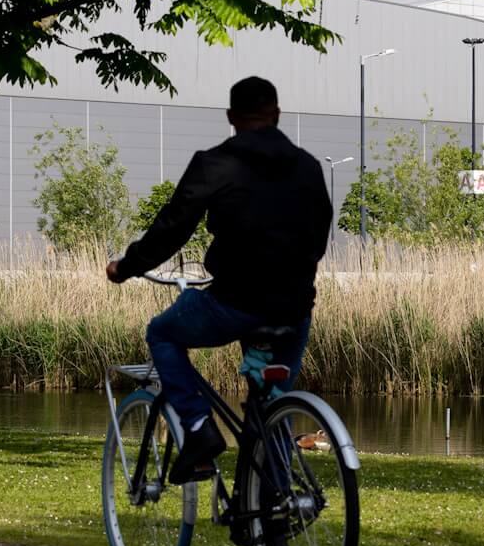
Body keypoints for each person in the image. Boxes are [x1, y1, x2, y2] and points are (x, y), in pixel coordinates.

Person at [107, 76, 332, 483]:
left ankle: (198, 429)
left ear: (230, 117)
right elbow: (318, 238)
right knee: (269, 402)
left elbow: (172, 228)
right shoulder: (310, 168)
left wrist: (126, 266)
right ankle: (273, 515)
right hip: (293, 308)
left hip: (234, 303)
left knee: (162, 333)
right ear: (277, 115)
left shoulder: (215, 164)